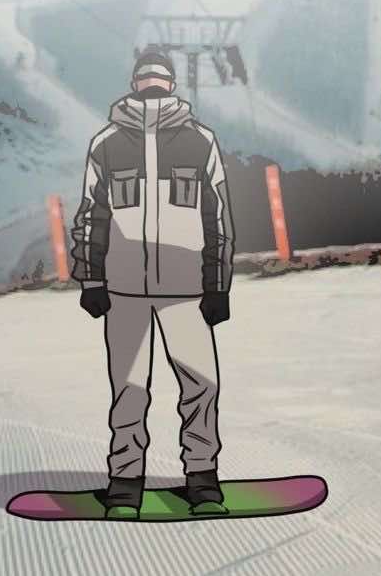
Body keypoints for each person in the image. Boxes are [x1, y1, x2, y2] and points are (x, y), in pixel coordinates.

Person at [70, 48, 236, 520]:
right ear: (135, 83)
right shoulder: (106, 144)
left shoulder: (200, 141)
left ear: (171, 84)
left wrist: (217, 286)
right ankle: (125, 482)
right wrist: (92, 279)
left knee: (201, 385)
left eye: (159, 78)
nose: (152, 86)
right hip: (124, 290)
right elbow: (91, 215)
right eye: (146, 79)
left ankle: (202, 478)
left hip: (187, 290)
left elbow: (217, 218)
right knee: (128, 389)